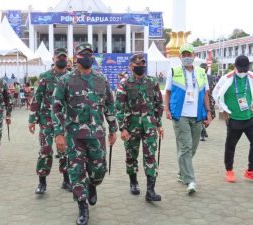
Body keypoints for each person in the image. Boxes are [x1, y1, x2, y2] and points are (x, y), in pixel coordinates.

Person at [52, 43, 117, 225]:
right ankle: (82, 206)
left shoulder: (101, 79)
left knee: (99, 171)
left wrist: (113, 128)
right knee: (76, 172)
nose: (87, 57)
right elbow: (56, 107)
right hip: (74, 137)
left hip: (97, 135)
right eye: (83, 54)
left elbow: (110, 105)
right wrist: (59, 133)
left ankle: (92, 185)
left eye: (90, 54)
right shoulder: (65, 80)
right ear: (76, 57)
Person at [164, 43, 212, 193]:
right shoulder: (174, 71)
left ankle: (182, 172)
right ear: (179, 57)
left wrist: (209, 112)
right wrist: (166, 109)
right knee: (186, 146)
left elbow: (205, 93)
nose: (186, 57)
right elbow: (167, 92)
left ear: (194, 56)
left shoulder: (201, 72)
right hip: (180, 115)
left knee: (193, 147)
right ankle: (190, 181)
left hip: (197, 115)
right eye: (183, 55)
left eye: (188, 54)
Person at [115, 53, 164, 201]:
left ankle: (150, 190)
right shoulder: (124, 83)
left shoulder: (152, 82)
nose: (141, 67)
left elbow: (158, 104)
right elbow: (119, 107)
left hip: (149, 125)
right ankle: (133, 182)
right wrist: (122, 128)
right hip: (131, 125)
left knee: (150, 156)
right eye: (138, 65)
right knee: (131, 155)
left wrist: (158, 124)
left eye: (143, 64)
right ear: (131, 66)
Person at [28, 48, 71, 194]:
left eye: (64, 57)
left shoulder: (71, 77)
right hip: (47, 119)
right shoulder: (45, 76)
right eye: (59, 57)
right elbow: (37, 98)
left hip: (65, 121)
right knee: (45, 150)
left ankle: (66, 181)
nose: (61, 59)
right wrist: (32, 119)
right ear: (53, 59)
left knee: (64, 151)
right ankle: (42, 182)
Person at [213, 55, 253, 182]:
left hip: (249, 117)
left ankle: (250, 170)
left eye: (244, 70)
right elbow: (216, 94)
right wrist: (223, 109)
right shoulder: (227, 78)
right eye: (240, 70)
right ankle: (229, 170)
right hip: (234, 118)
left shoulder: (251, 76)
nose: (242, 72)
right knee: (230, 146)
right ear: (235, 67)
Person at [199, 63, 216, 141]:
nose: (203, 69)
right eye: (202, 67)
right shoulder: (197, 77)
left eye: (204, 68)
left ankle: (204, 128)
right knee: (202, 115)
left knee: (211, 115)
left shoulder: (211, 77)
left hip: (210, 99)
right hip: (200, 100)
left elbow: (214, 88)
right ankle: (201, 132)